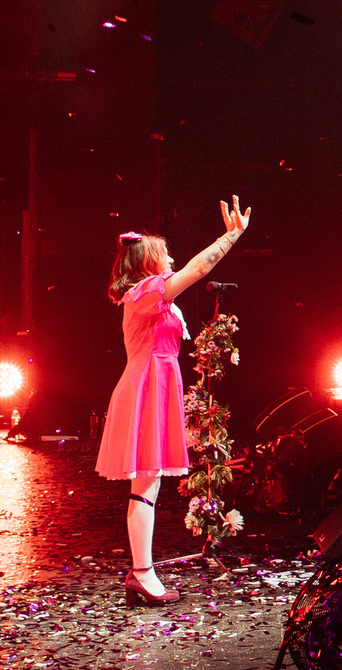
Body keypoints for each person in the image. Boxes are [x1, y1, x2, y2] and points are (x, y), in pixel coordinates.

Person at [98, 199, 250, 606]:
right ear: (148, 262)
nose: (171, 259)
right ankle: (142, 574)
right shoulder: (147, 291)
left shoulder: (153, 296)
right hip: (147, 385)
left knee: (148, 486)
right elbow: (198, 270)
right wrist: (231, 236)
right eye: (164, 255)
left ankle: (141, 572)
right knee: (145, 485)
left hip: (156, 383)